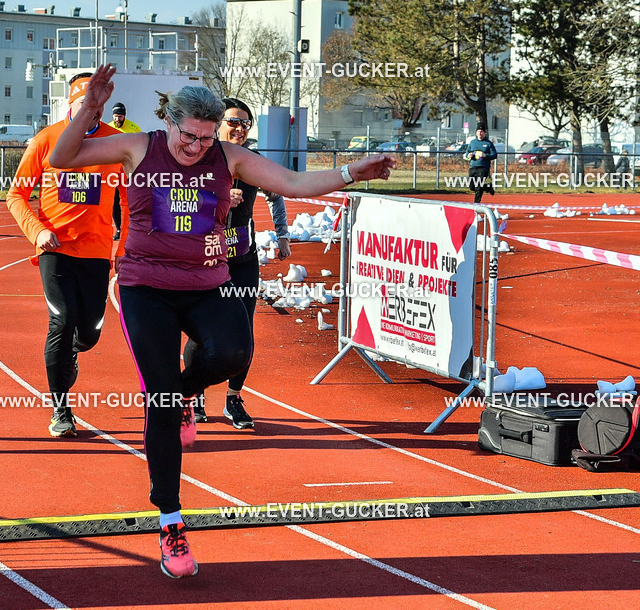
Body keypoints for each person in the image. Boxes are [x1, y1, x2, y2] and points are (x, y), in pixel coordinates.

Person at [48, 64, 394, 579]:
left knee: (234, 353)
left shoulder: (227, 156)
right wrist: (91, 111)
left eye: (206, 138)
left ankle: (187, 392)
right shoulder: (137, 147)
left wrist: (351, 173)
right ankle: (170, 519)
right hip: (146, 288)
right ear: (170, 120)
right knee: (160, 403)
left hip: (206, 283)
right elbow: (62, 157)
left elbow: (293, 182)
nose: (196, 147)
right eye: (190, 136)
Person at [7, 74, 128, 438]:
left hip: (95, 254)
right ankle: (61, 407)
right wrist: (37, 231)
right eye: (85, 106)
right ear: (71, 105)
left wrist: (124, 249)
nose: (91, 114)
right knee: (60, 322)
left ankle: (72, 352)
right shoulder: (45, 140)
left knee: (88, 332)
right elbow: (16, 195)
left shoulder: (117, 143)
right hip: (54, 250)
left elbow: (130, 201)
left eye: (97, 108)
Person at [190, 97, 290, 429]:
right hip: (205, 258)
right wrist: (216, 199)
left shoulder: (253, 161)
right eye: (233, 122)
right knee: (201, 331)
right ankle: (195, 395)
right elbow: (178, 203)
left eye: (245, 124)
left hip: (242, 259)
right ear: (218, 125)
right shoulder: (200, 160)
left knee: (244, 332)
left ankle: (233, 399)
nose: (239, 129)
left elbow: (278, 195)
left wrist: (283, 236)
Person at [109, 103, 141, 240]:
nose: (117, 119)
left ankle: (130, 230)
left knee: (129, 201)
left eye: (120, 116)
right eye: (115, 116)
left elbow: (140, 148)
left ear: (124, 116)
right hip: (112, 170)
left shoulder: (134, 128)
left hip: (128, 170)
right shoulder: (108, 127)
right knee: (113, 201)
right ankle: (119, 229)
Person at [466, 124, 497, 203]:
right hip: (473, 166)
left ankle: (476, 206)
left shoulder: (488, 143)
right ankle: (487, 187)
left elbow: (494, 155)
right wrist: (468, 155)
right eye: (478, 131)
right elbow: (467, 152)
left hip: (483, 167)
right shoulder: (472, 142)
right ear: (476, 132)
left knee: (478, 187)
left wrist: (485, 155)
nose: (480, 133)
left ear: (485, 133)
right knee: (472, 187)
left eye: (482, 132)